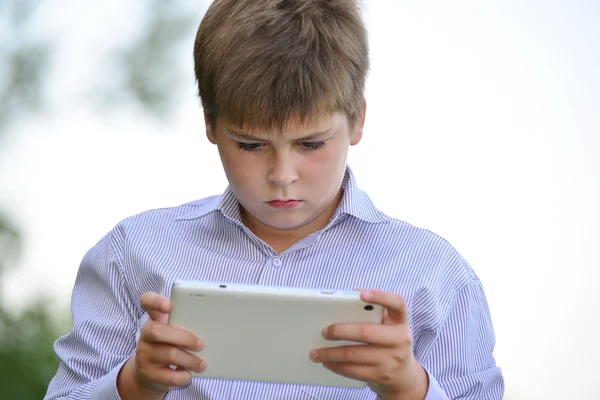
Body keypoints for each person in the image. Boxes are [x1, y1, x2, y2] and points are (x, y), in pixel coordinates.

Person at [44, 0, 504, 399]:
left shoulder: (435, 276)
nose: (282, 176)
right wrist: (132, 386)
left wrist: (411, 390)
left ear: (357, 120)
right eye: (250, 144)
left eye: (310, 144)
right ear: (210, 123)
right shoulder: (132, 254)